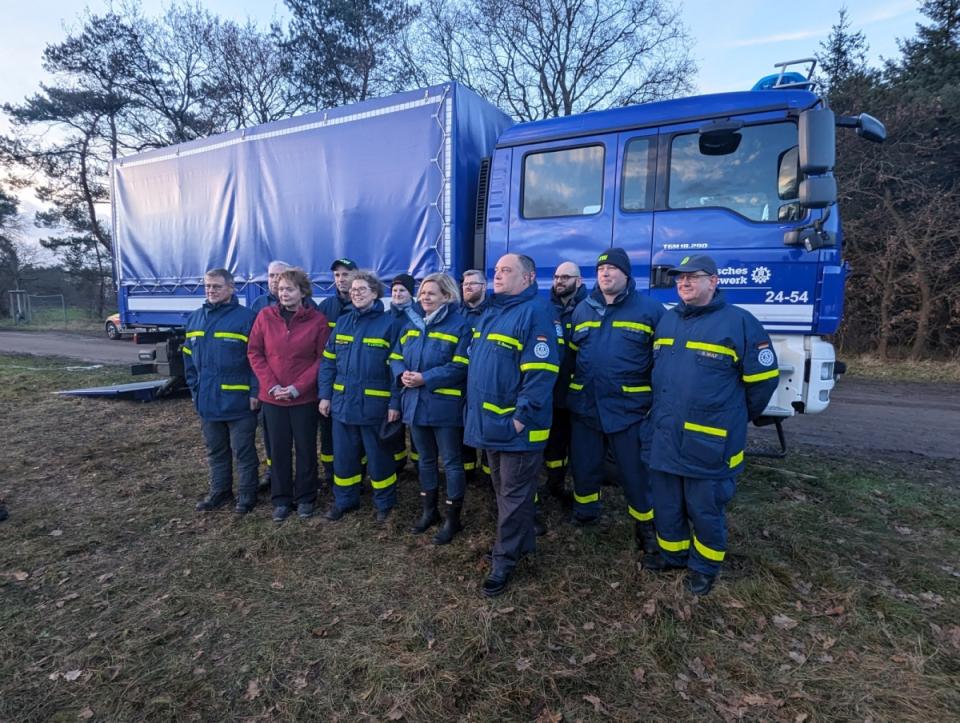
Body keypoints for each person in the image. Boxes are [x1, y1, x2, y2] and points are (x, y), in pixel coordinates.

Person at [646, 254, 779, 595]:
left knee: (705, 509)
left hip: (710, 441)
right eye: (679, 278)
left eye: (693, 277)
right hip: (665, 435)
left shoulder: (740, 323)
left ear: (714, 281)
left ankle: (704, 567)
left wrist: (733, 416)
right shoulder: (668, 321)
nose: (684, 283)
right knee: (666, 504)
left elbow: (762, 382)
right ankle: (672, 555)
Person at [464, 254, 561, 597]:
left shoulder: (535, 312)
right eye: (496, 271)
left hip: (517, 429)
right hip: (492, 425)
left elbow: (542, 372)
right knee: (504, 492)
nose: (498, 276)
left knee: (514, 495)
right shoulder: (493, 312)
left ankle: (503, 561)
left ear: (528, 277)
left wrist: (520, 419)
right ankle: (525, 544)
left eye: (507, 270)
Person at [566, 248, 664, 556]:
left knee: (634, 472)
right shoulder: (582, 310)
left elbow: (661, 364)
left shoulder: (650, 310)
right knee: (584, 466)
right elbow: (571, 357)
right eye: (600, 269)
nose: (605, 273)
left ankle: (645, 526)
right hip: (586, 406)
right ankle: (585, 512)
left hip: (629, 409)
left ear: (626, 274)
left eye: (612, 269)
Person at [390, 272, 472, 544]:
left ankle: (453, 518)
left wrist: (427, 377)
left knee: (450, 462)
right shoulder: (411, 323)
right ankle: (429, 512)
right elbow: (395, 356)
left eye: (431, 293)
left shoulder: (460, 326)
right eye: (423, 293)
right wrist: (401, 373)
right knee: (423, 460)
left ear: (447, 297)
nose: (424, 297)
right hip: (415, 405)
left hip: (444, 407)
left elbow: (461, 365)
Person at [318, 270, 403, 522]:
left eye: (362, 289)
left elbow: (398, 369)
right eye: (353, 290)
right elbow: (328, 363)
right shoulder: (343, 322)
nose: (355, 293)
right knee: (344, 457)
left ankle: (384, 503)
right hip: (343, 404)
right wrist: (325, 395)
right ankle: (345, 500)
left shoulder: (390, 324)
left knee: (379, 458)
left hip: (374, 406)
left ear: (375, 293)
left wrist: (394, 402)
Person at [248, 268, 331, 522]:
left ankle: (306, 497)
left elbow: (321, 360)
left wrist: (298, 387)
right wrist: (271, 386)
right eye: (281, 289)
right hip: (273, 398)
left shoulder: (317, 321)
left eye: (290, 289)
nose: (284, 293)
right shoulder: (264, 317)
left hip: (303, 398)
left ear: (302, 292)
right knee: (278, 450)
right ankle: (281, 499)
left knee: (306, 449)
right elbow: (255, 353)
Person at [183, 268, 260, 514]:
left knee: (243, 452)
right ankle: (220, 491)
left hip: (238, 402)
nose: (211, 291)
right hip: (207, 400)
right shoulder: (195, 318)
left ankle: (247, 496)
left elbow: (257, 360)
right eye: (207, 286)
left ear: (231, 288)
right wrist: (195, 390)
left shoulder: (246, 318)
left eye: (216, 286)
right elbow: (188, 359)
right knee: (216, 450)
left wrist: (254, 392)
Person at [538, 261, 587, 526]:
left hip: (581, 389)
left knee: (580, 447)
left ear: (578, 281)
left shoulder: (589, 307)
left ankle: (582, 494)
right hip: (555, 389)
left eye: (566, 277)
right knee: (554, 441)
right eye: (556, 276)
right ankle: (554, 483)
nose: (560, 281)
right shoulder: (547, 308)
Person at [251, 260, 291, 493]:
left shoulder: (307, 306)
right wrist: (257, 387)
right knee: (271, 436)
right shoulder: (259, 306)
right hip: (268, 386)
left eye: (280, 276)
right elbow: (253, 351)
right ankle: (272, 473)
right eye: (271, 276)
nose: (275, 280)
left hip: (298, 387)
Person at [316, 258, 357, 481]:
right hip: (331, 382)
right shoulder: (325, 308)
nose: (341, 279)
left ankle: (357, 476)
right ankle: (330, 474)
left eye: (345, 274)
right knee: (328, 433)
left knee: (353, 435)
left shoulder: (364, 305)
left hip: (355, 384)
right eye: (337, 276)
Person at [387, 273, 420, 472]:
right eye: (394, 291)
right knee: (393, 422)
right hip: (392, 376)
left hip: (413, 377)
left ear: (411, 294)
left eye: (402, 291)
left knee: (415, 424)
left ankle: (418, 462)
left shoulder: (417, 315)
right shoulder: (386, 316)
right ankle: (397, 461)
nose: (398, 294)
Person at [459, 269, 489, 481]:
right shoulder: (456, 315)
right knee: (462, 426)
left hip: (486, 381)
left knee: (487, 425)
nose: (467, 286)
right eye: (464, 284)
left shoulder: (493, 313)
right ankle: (467, 472)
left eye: (472, 283)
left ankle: (489, 473)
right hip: (460, 380)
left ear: (484, 287)